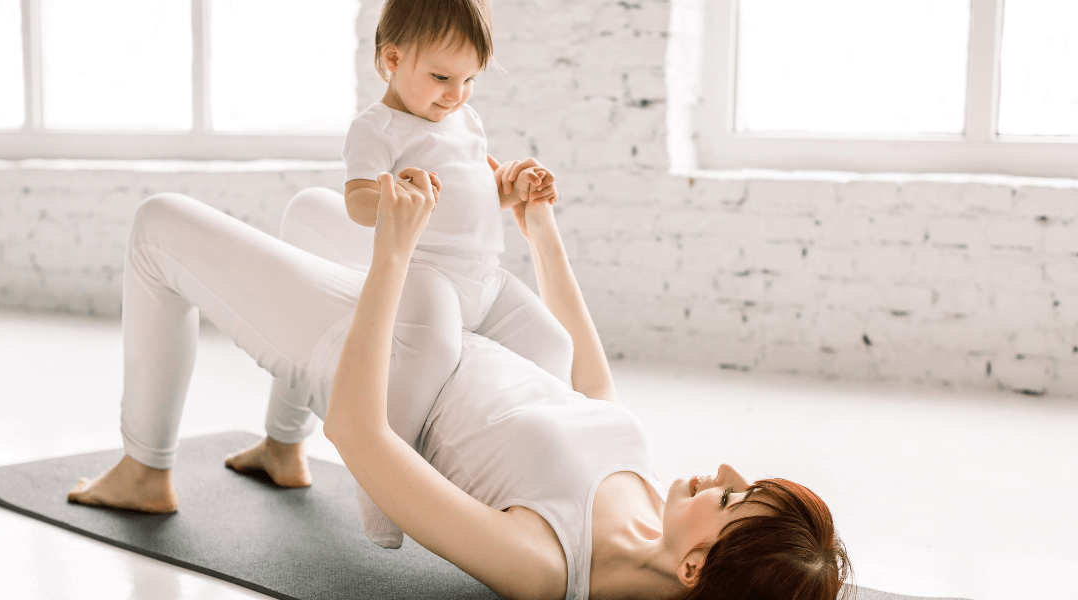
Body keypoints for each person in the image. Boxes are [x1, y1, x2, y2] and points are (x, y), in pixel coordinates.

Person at [67, 175, 851, 599]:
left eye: (729, 500)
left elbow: (364, 437)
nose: (722, 475)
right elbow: (589, 379)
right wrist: (542, 233)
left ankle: (146, 468)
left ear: (695, 569)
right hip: (444, 329)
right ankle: (279, 450)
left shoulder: (544, 564)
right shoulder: (653, 508)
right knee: (309, 211)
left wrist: (393, 260)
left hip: (372, 360)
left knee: (158, 223)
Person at [334, 0, 575, 548]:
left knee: (553, 344)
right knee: (432, 354)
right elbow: (356, 202)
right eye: (441, 77)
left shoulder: (465, 119)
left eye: (470, 79)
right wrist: (397, 194)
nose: (456, 93)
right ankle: (379, 487)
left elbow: (479, 190)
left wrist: (511, 190)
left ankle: (539, 467)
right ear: (391, 59)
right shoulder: (378, 127)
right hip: (427, 274)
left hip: (484, 278)